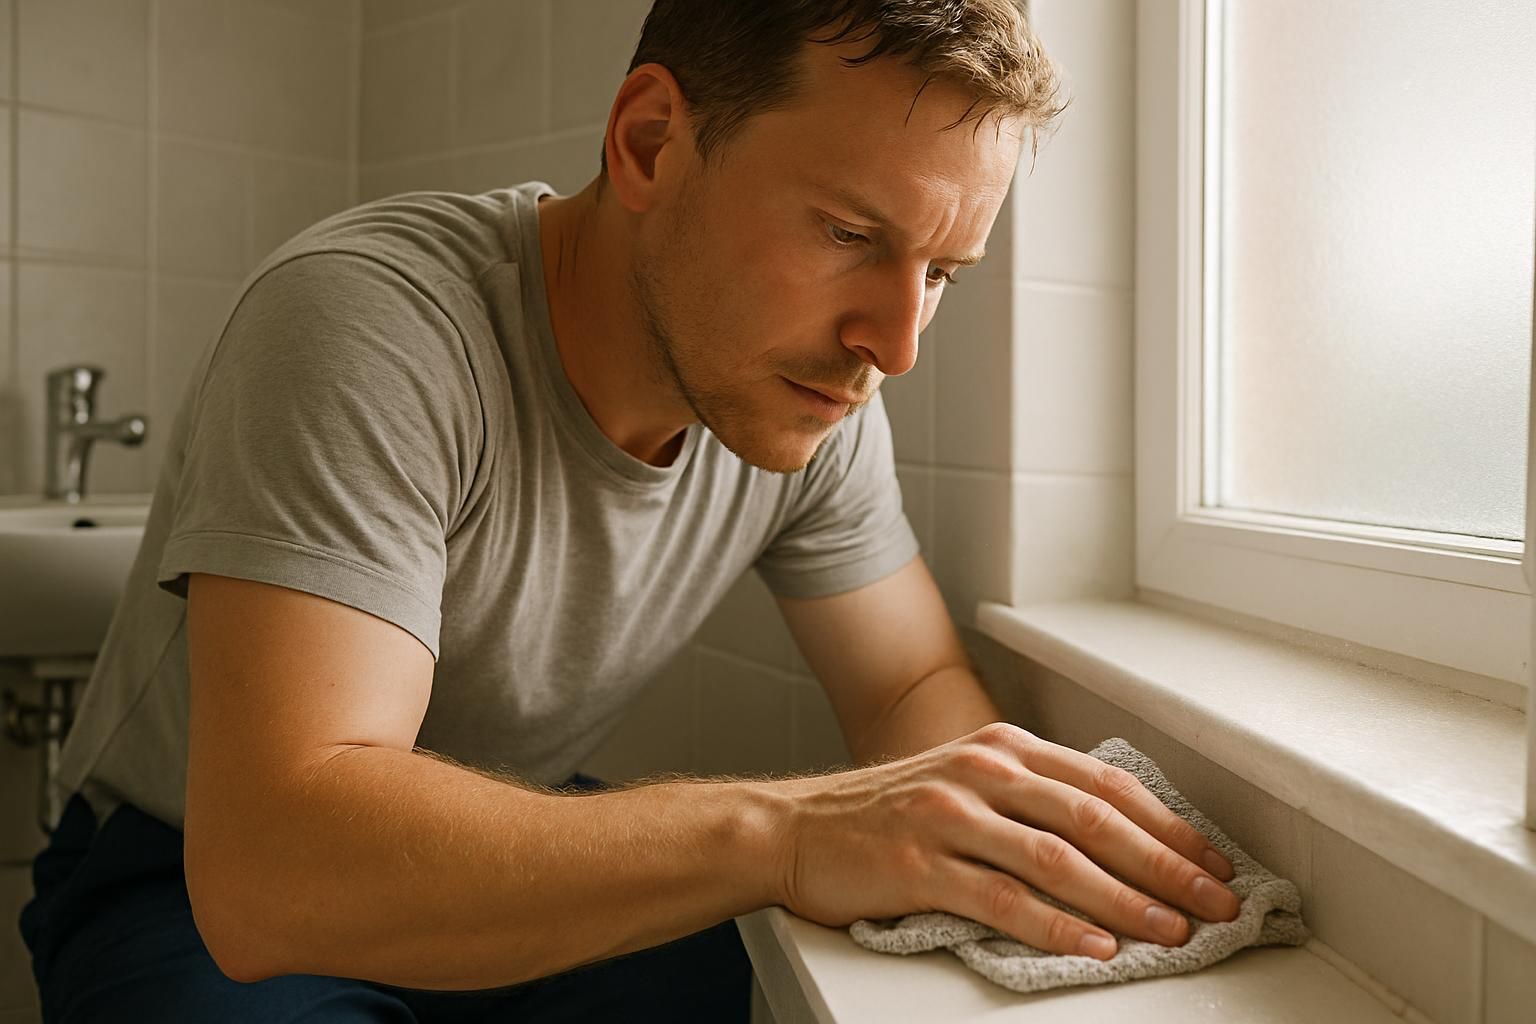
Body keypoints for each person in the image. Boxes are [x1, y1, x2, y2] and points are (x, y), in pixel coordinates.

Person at [18, 1, 1241, 1020]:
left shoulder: (814, 398)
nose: (896, 343)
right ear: (652, 140)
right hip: (183, 869)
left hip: (509, 830)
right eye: (848, 232)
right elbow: (275, 870)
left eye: (942, 274)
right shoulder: (370, 324)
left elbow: (909, 687)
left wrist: (1026, 845)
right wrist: (785, 832)